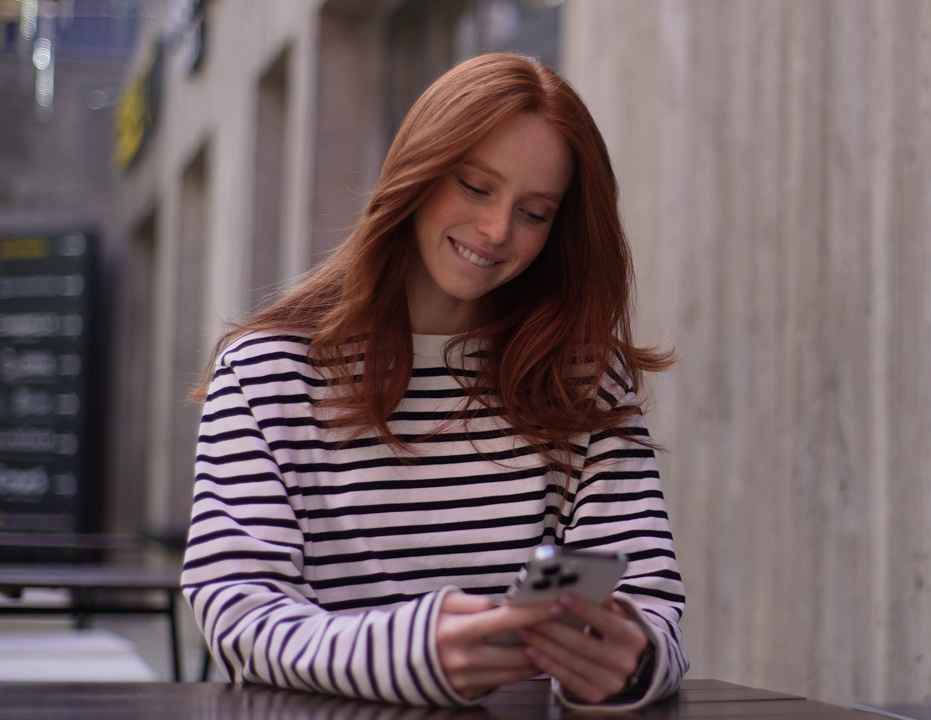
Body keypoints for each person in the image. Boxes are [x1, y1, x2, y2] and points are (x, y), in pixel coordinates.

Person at [180, 52, 687, 710]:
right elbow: (239, 615)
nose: (497, 230)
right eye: (476, 187)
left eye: (535, 213)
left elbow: (652, 609)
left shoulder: (584, 380)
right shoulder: (264, 371)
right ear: (416, 173)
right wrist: (411, 653)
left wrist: (632, 662)